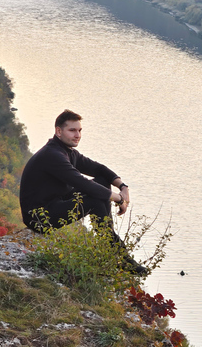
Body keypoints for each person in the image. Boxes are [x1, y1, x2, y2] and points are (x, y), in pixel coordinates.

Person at [19, 109, 146, 274]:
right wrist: (119, 199)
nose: (77, 135)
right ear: (59, 131)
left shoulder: (66, 151)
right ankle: (117, 254)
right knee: (94, 200)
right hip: (40, 216)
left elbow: (98, 169)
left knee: (102, 181)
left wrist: (123, 187)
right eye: (72, 130)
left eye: (79, 130)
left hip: (55, 203)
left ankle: (108, 242)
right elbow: (83, 184)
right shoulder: (53, 155)